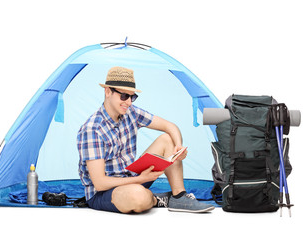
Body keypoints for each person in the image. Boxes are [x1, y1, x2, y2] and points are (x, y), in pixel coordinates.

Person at [77, 66, 215, 213]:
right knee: (139, 197)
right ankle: (156, 199)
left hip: (131, 176)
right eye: (124, 96)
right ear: (108, 92)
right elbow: (100, 183)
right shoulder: (92, 129)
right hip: (104, 193)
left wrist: (178, 147)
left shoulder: (131, 112)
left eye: (132, 97)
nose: (129, 102)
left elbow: (170, 126)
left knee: (167, 139)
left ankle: (179, 197)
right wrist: (141, 179)